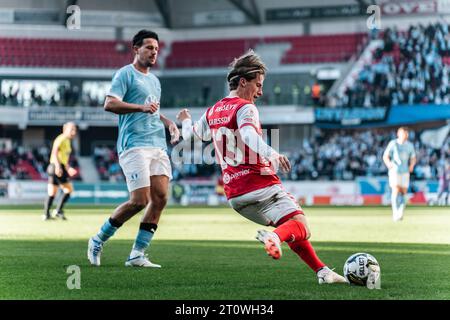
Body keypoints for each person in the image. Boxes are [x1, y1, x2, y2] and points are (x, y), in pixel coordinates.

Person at [177, 50, 346, 284]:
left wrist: (185, 119)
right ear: (243, 81)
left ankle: (323, 272)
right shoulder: (245, 108)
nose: (261, 91)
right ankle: (274, 238)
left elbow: (190, 136)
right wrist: (272, 152)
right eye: (258, 84)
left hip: (236, 196)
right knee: (301, 226)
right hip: (260, 184)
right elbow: (248, 135)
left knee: (289, 226)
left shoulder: (212, 111)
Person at [87, 30, 180, 268]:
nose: (153, 52)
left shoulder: (155, 81)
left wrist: (169, 123)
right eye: (149, 47)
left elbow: (153, 111)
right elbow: (110, 103)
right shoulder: (125, 74)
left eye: (156, 49)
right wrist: (140, 108)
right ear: (136, 49)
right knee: (139, 200)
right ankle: (98, 239)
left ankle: (137, 254)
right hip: (134, 145)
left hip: (157, 145)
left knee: (160, 199)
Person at [43, 121, 78, 221]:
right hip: (56, 166)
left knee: (52, 192)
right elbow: (54, 153)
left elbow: (63, 157)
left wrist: (68, 168)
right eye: (71, 129)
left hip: (55, 166)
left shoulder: (67, 140)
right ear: (65, 129)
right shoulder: (62, 138)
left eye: (74, 129)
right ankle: (58, 211)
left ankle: (46, 214)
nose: (73, 132)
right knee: (68, 190)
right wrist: (58, 167)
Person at [383, 127, 416, 221]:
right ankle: (395, 212)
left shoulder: (409, 145)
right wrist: (389, 164)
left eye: (406, 133)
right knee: (396, 190)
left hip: (405, 171)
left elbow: (413, 157)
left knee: (404, 192)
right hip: (395, 171)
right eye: (403, 133)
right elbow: (385, 156)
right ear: (398, 134)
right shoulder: (393, 143)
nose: (405, 135)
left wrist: (412, 165)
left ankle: (401, 211)